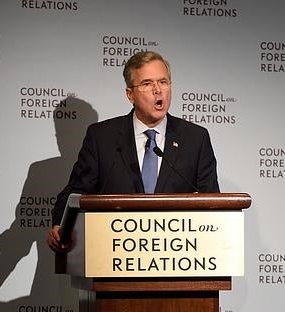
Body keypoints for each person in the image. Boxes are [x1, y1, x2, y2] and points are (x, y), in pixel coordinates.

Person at [48, 51, 220, 253]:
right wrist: (61, 225)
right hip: (115, 255)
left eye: (163, 82)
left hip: (178, 257)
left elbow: (212, 202)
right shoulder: (102, 138)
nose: (158, 91)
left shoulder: (195, 138)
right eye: (147, 84)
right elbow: (76, 191)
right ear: (130, 94)